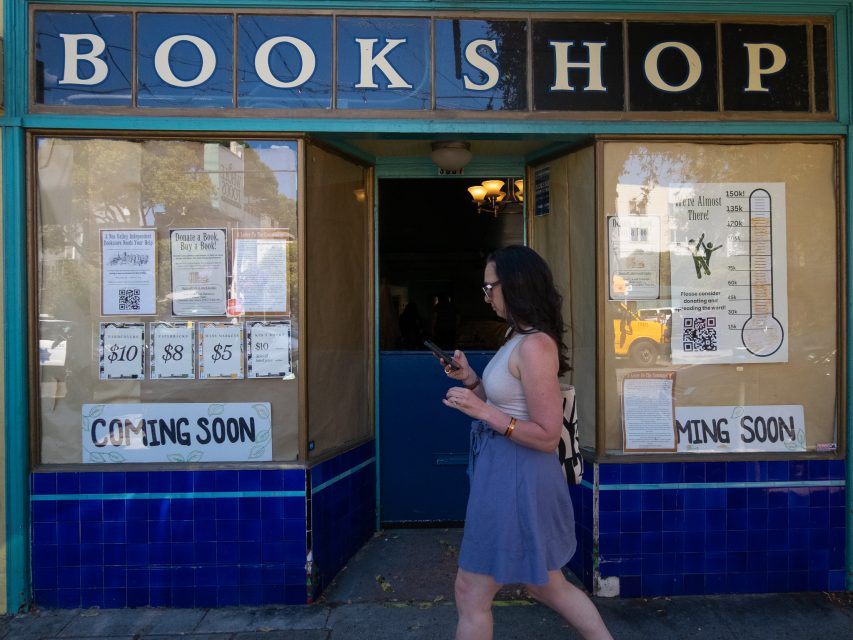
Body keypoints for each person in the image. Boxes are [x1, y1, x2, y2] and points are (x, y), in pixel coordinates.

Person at [438, 245, 612, 640]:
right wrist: (470, 380)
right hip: (508, 474)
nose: (487, 297)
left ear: (514, 285)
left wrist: (482, 413)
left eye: (490, 287)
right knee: (546, 583)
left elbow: (548, 434)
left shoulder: (535, 345)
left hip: (518, 478)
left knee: (471, 590)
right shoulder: (517, 338)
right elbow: (506, 404)